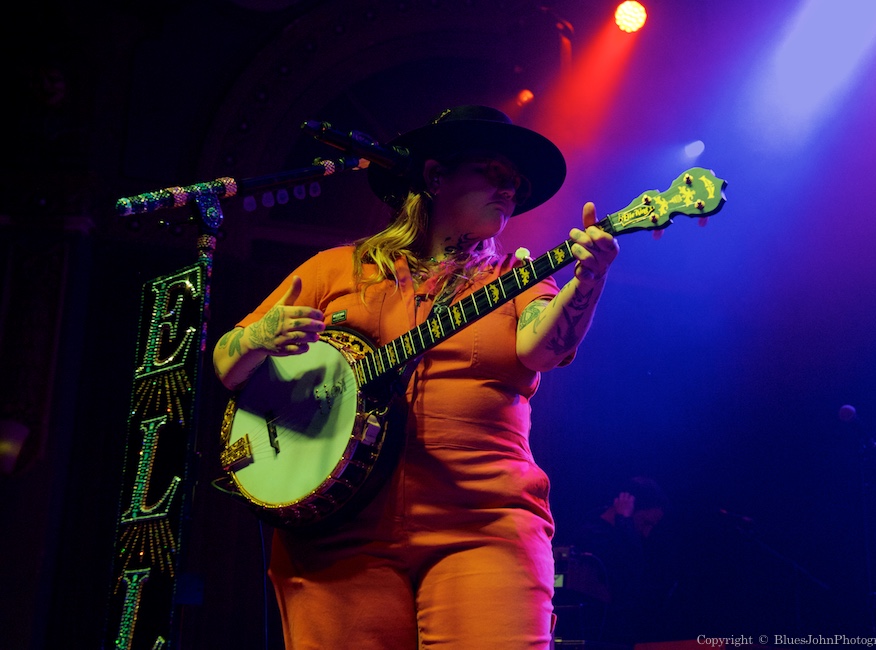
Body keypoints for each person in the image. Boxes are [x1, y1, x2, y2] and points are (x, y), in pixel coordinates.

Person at [212, 105, 619, 649]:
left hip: (484, 523)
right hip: (338, 534)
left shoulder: (516, 277)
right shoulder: (337, 269)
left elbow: (545, 347)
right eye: (493, 173)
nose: (510, 190)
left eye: (516, 183)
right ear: (433, 176)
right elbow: (225, 363)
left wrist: (588, 277)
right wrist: (260, 340)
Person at [568, 477, 679, 647]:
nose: (646, 533)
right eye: (645, 523)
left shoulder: (628, 536)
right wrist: (624, 522)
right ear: (628, 509)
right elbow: (629, 575)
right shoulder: (592, 534)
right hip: (601, 637)